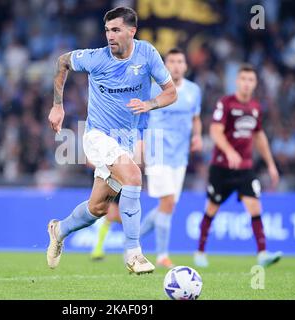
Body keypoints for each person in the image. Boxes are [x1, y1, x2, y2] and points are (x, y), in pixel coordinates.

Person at [47, 7, 177, 274]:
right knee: (133, 176)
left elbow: (171, 92)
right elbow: (62, 61)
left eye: (116, 30)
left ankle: (59, 230)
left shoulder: (147, 54)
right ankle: (133, 254)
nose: (110, 36)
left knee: (98, 207)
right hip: (97, 136)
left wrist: (149, 104)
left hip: (125, 140)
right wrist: (58, 106)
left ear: (132, 31)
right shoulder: (95, 58)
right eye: (107, 30)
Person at [91, 48, 203, 270]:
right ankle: (162, 256)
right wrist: (138, 145)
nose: (177, 65)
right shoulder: (151, 89)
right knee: (168, 202)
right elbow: (137, 119)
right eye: (172, 61)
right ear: (165, 66)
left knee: (167, 206)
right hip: (157, 152)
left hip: (180, 157)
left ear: (185, 66)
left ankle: (132, 240)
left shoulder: (193, 91)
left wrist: (198, 135)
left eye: (180, 61)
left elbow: (196, 117)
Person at [193, 64, 282, 268]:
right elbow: (215, 130)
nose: (246, 83)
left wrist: (271, 164)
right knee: (212, 208)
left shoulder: (256, 108)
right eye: (243, 79)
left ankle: (262, 254)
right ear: (237, 81)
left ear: (255, 83)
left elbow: (259, 136)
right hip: (221, 168)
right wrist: (230, 151)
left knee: (255, 206)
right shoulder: (226, 103)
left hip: (245, 169)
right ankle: (199, 251)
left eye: (250, 80)